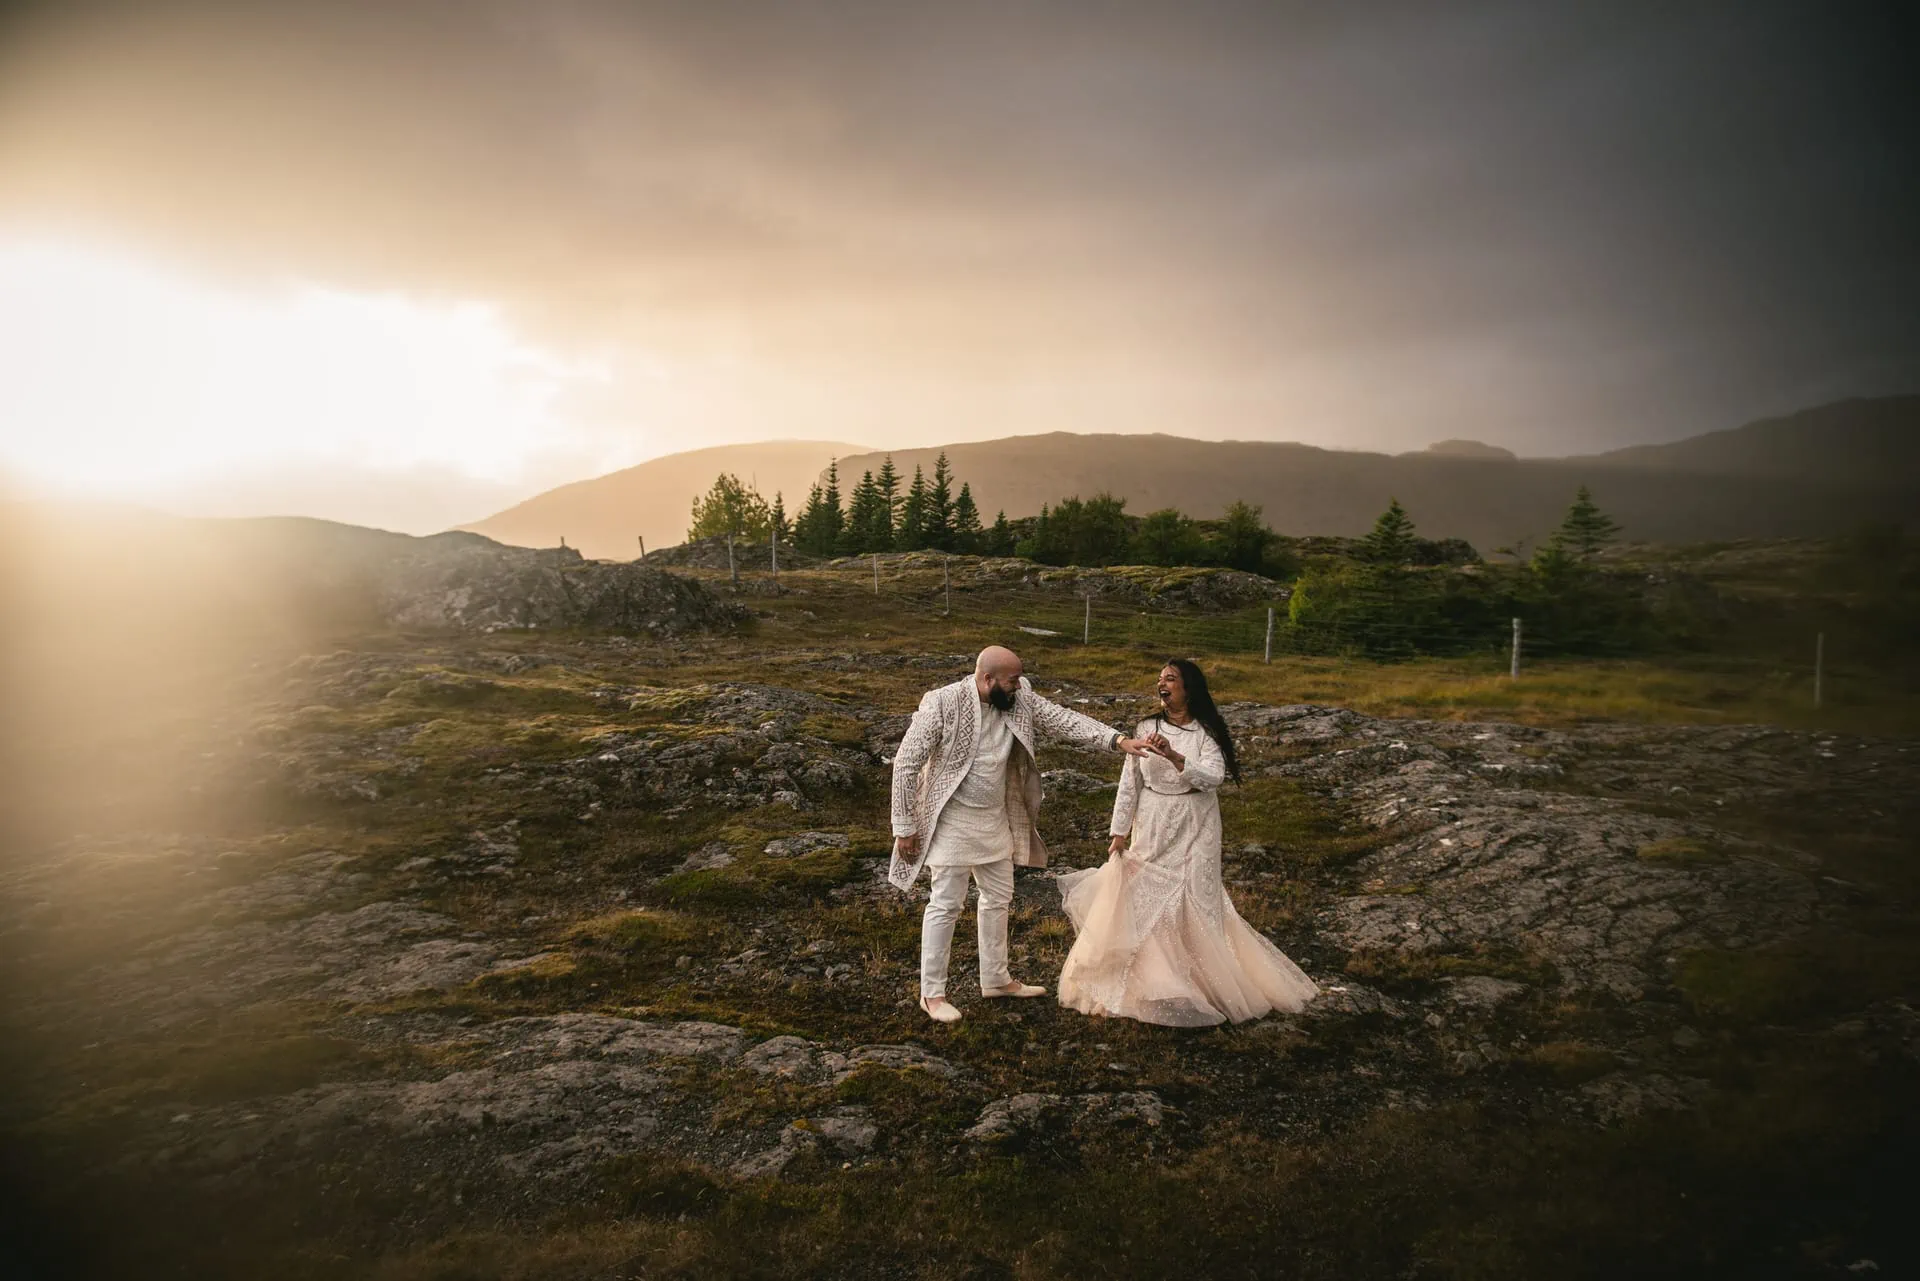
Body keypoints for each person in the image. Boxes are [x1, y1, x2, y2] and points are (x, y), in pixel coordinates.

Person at [891, 645, 1151, 1023]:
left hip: (995, 820)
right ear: (987, 679)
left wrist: (1116, 740)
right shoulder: (942, 703)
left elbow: (1062, 719)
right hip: (951, 821)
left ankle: (995, 979)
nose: (1018, 686)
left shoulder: (1019, 696)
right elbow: (906, 762)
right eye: (1011, 680)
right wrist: (904, 827)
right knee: (946, 904)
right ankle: (932, 994)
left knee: (998, 897)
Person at [1057, 658, 1318, 1026]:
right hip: (1153, 820)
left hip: (1197, 822)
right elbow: (1130, 782)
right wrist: (1119, 834)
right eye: (1159, 677)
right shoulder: (1146, 726)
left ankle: (1201, 982)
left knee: (1195, 895)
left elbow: (1213, 778)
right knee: (1147, 896)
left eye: (1171, 678)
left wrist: (1175, 755)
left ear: (1188, 688)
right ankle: (1147, 983)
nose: (1162, 683)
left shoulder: (1206, 732)